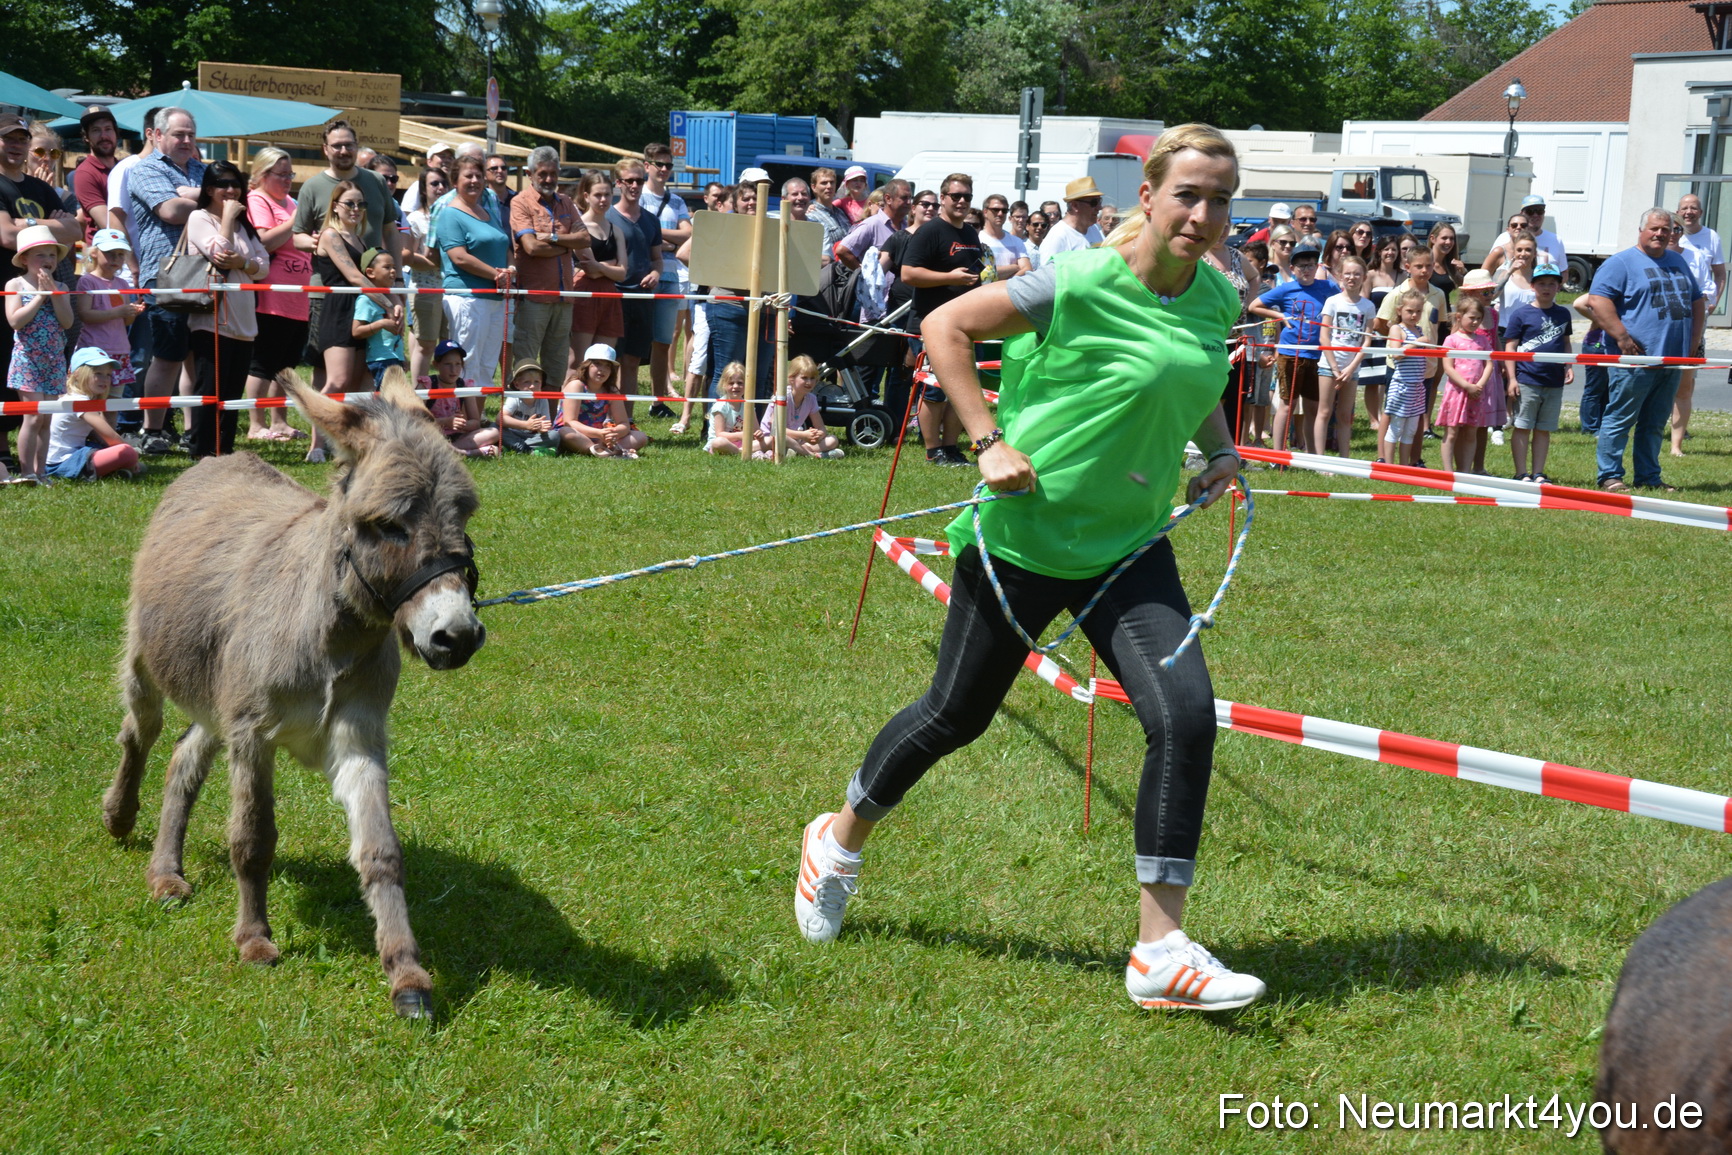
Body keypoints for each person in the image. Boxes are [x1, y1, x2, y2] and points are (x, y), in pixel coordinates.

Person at [793, 124, 1265, 1014]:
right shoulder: (1078, 279)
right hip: (1024, 540)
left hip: (1127, 548)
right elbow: (943, 325)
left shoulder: (1214, 294)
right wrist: (987, 440)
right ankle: (839, 836)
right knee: (952, 715)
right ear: (1151, 195)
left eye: (1221, 199)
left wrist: (1221, 450)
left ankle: (1160, 950)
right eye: (1189, 195)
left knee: (1187, 715)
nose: (1205, 215)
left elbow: (1196, 378)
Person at [1584, 209, 1705, 493]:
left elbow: (1697, 301)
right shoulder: (1621, 263)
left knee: (1654, 422)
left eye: (1667, 229)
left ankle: (1649, 476)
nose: (1661, 234)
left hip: (1672, 359)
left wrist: (1693, 341)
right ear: (1641, 229)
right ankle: (1610, 476)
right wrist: (1621, 337)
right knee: (1620, 418)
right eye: (1655, 228)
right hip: (1634, 359)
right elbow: (1598, 300)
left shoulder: (1677, 261)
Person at [125, 107, 205, 455]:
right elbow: (170, 211)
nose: (186, 141)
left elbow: (235, 198)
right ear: (156, 136)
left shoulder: (204, 170)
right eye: (178, 134)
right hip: (167, 273)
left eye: (190, 134)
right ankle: (152, 430)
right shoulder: (144, 169)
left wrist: (189, 193)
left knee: (195, 355)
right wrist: (208, 198)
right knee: (168, 355)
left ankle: (193, 432)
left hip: (207, 272)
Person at [183, 161, 269, 459]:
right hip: (212, 319)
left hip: (245, 322)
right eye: (223, 184)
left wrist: (243, 264)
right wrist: (229, 219)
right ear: (209, 189)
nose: (231, 190)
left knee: (232, 396)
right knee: (209, 391)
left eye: (235, 184)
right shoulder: (199, 217)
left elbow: (263, 266)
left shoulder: (246, 227)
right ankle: (201, 453)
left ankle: (225, 452)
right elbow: (220, 253)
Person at [901, 173, 984, 467]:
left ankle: (951, 448)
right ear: (943, 198)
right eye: (956, 196)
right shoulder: (930, 231)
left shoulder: (971, 234)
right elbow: (908, 274)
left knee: (959, 390)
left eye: (967, 197)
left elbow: (977, 270)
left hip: (965, 324)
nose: (962, 201)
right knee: (935, 388)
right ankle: (933, 449)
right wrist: (950, 278)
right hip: (931, 323)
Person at [243, 147, 312, 442]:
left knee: (286, 364)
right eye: (281, 174)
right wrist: (296, 220)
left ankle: (279, 421)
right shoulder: (257, 199)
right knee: (263, 363)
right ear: (262, 175)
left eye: (290, 174)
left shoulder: (289, 202)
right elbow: (264, 242)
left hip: (298, 296)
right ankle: (255, 424)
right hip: (272, 296)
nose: (287, 180)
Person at [435, 154, 513, 394]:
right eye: (468, 175)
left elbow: (504, 246)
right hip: (468, 297)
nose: (474, 180)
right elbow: (458, 256)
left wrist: (511, 269)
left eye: (479, 175)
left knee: (487, 365)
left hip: (495, 299)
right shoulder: (449, 214)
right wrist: (496, 275)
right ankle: (462, 421)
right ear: (455, 181)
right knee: (466, 363)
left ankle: (477, 420)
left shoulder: (487, 211)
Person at [510, 146, 585, 382]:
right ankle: (523, 418)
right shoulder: (520, 202)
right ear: (530, 174)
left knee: (556, 367)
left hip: (564, 298)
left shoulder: (566, 202)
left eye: (553, 173)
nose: (549, 179)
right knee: (526, 365)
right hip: (534, 298)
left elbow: (585, 239)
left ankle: (551, 418)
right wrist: (567, 245)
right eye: (542, 174)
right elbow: (531, 247)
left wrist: (553, 238)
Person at [5, 224, 74, 480]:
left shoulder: (62, 286)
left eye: (52, 255)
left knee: (46, 420)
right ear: (24, 259)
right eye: (40, 255)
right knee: (32, 418)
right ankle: (26, 472)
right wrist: (39, 296)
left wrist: (54, 293)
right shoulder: (16, 284)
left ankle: (40, 471)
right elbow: (15, 320)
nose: (47, 261)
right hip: (28, 360)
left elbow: (67, 321)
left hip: (54, 358)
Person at [1249, 239, 1332, 455]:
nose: (1307, 269)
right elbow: (1254, 305)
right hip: (1290, 353)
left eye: (1311, 265)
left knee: (1313, 407)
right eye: (1301, 266)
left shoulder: (1328, 288)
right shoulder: (1286, 289)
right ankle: (1279, 455)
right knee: (1287, 405)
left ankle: (1312, 455)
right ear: (1293, 268)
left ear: (1317, 267)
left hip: (1317, 354)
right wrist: (1280, 315)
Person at [1373, 245, 1446, 464]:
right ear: (1407, 267)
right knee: (1391, 412)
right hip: (1399, 368)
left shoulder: (1438, 294)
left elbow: (1439, 326)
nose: (1424, 270)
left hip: (1426, 365)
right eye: (1419, 266)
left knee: (1417, 414)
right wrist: (1400, 340)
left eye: (1429, 265)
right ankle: (1383, 457)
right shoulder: (1397, 294)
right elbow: (1379, 323)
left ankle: (1414, 459)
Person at [308, 179, 375, 411]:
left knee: (355, 384)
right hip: (338, 309)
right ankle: (316, 445)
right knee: (338, 381)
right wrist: (389, 303)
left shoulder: (360, 240)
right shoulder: (330, 235)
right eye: (349, 204)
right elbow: (354, 276)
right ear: (335, 205)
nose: (356, 209)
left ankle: (344, 439)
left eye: (360, 204)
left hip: (360, 310)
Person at [1502, 263, 1572, 483]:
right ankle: (1521, 472)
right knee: (1523, 425)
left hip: (1554, 380)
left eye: (1552, 284)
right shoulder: (1521, 314)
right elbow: (1510, 346)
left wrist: (1569, 366)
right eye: (1542, 283)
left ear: (1558, 287)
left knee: (1544, 428)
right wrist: (1512, 378)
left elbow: (1566, 342)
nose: (1547, 288)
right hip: (1527, 378)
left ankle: (1539, 472)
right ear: (1532, 286)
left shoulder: (1563, 314)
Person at [608, 157, 664, 408]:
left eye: (639, 180)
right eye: (629, 180)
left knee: (632, 362)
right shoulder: (607, 216)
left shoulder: (651, 220)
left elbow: (657, 259)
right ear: (618, 183)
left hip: (643, 299)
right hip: (614, 297)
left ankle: (627, 419)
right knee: (611, 361)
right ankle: (607, 417)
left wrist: (656, 274)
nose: (635, 185)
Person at [641, 142, 693, 411]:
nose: (664, 169)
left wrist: (657, 237)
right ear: (647, 165)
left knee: (663, 339)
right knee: (633, 339)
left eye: (668, 165)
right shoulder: (637, 195)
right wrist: (667, 242)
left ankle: (657, 399)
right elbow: (635, 231)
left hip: (671, 276)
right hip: (643, 274)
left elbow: (688, 233)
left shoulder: (677, 200)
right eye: (659, 164)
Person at [45, 348, 145, 480]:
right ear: (78, 374)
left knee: (114, 451)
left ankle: (115, 470)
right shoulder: (80, 401)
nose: (105, 379)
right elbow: (111, 437)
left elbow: (100, 437)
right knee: (127, 453)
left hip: (64, 457)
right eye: (98, 373)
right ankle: (119, 468)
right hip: (63, 462)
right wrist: (132, 457)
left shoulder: (75, 397)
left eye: (108, 375)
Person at [569, 170, 627, 378]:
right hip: (584, 294)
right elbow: (591, 272)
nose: (603, 200)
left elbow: (622, 273)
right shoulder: (578, 227)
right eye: (598, 195)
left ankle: (597, 408)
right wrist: (610, 265)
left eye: (607, 195)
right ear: (586, 196)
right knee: (579, 361)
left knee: (605, 360)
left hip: (610, 297)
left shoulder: (615, 230)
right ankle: (567, 407)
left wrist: (601, 266)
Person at [1316, 256, 1374, 461]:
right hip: (1329, 366)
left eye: (1357, 274)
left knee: (1345, 415)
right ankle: (1320, 460)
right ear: (1340, 276)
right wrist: (1334, 368)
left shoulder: (1367, 306)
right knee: (1324, 411)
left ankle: (1345, 458)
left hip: (1352, 368)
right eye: (1348, 273)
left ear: (1364, 277)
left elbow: (1367, 340)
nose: (1352, 277)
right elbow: (1324, 336)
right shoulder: (1332, 302)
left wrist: (1351, 368)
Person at [74, 229, 143, 396]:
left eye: (120, 254)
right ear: (95, 253)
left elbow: (125, 322)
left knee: (113, 402)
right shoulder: (87, 281)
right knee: (89, 399)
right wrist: (118, 312)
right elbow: (85, 315)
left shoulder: (123, 284)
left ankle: (111, 424)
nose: (116, 258)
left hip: (120, 350)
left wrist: (132, 312)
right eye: (110, 253)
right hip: (93, 350)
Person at [1668, 216, 1716, 457]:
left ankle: (1676, 445)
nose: (1672, 233)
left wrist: (1696, 301)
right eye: (1668, 229)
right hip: (1660, 332)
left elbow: (1709, 290)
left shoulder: (1694, 256)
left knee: (1684, 389)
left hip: (1690, 330)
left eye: (1677, 229)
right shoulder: (1648, 257)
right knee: (1649, 387)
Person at [404, 166, 451, 382]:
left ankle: (447, 397)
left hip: (451, 289)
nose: (440, 188)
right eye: (434, 183)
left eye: (444, 183)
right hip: (425, 288)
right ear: (423, 189)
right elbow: (408, 256)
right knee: (426, 345)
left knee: (450, 344)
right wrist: (437, 262)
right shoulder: (415, 218)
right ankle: (418, 397)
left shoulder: (454, 216)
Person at [1436, 297, 1493, 474]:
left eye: (1478, 318)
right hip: (1457, 392)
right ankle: (1448, 471)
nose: (1475, 322)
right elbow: (1448, 367)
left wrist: (1479, 385)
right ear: (1459, 317)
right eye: (1472, 318)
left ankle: (1465, 470)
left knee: (1471, 433)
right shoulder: (1451, 340)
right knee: (1452, 432)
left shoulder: (1482, 341)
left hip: (1477, 393)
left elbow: (1489, 364)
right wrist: (1466, 386)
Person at [564, 343, 647, 457]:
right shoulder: (576, 385)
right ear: (586, 365)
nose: (602, 369)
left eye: (607, 366)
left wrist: (613, 433)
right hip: (577, 433)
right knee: (567, 433)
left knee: (641, 437)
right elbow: (569, 422)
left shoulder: (611, 390)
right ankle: (601, 450)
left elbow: (624, 423)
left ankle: (601, 450)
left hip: (601, 436)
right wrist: (598, 433)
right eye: (597, 364)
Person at [754, 355, 842, 458]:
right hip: (773, 438)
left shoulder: (811, 399)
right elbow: (776, 429)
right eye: (804, 378)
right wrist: (803, 435)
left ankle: (798, 451)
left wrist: (817, 436)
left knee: (832, 440)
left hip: (797, 440)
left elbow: (821, 427)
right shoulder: (782, 396)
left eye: (812, 378)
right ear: (792, 379)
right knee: (781, 439)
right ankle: (812, 455)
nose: (809, 382)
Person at [426, 339, 500, 457]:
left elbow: (475, 422)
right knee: (424, 441)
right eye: (447, 364)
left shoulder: (464, 386)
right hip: (432, 435)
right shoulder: (427, 384)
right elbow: (416, 421)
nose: (453, 370)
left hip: (458, 438)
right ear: (436, 365)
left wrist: (462, 424)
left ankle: (451, 451)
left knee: (494, 433)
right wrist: (445, 422)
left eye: (457, 364)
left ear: (462, 364)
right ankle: (467, 453)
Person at [1381, 292, 1429, 466]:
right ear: (1400, 310)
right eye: (1410, 311)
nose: (1414, 315)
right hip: (1402, 386)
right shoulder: (1397, 329)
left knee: (1410, 430)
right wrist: (1417, 343)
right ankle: (1389, 465)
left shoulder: (1419, 330)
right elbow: (1396, 354)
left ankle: (1404, 466)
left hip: (1417, 386)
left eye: (1418, 311)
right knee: (1396, 427)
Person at [501, 360, 587, 454]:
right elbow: (500, 418)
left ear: (541, 384)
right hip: (513, 433)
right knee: (497, 429)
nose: (532, 386)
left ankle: (514, 447)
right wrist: (526, 425)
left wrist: (541, 428)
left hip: (532, 436)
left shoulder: (542, 399)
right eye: (527, 382)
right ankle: (527, 449)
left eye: (537, 382)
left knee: (554, 436)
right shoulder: (514, 398)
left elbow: (547, 425)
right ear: (517, 384)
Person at [352, 248, 409, 384]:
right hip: (380, 360)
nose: (393, 271)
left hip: (395, 357)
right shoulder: (365, 300)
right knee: (387, 399)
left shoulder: (390, 298)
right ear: (370, 273)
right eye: (387, 267)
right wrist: (382, 324)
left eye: (394, 267)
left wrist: (402, 357)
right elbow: (356, 331)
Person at [72, 106, 122, 245]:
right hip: (105, 254)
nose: (103, 136)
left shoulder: (124, 169)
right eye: (96, 130)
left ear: (116, 133)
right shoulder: (85, 173)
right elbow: (108, 224)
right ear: (86, 137)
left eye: (108, 129)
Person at [1483, 195, 1565, 274]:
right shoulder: (1503, 239)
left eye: (1540, 211)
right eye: (1530, 211)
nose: (1535, 215)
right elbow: (1484, 273)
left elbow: (1564, 272)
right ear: (1522, 213)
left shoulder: (1556, 240)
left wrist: (1550, 286)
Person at [1038, 176, 1104, 261]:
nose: (1100, 207)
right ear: (1075, 206)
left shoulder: (1094, 229)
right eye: (1094, 202)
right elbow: (1047, 273)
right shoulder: (1058, 237)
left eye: (1100, 201)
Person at [979, 193, 1031, 280]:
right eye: (995, 210)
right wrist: (1014, 267)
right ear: (985, 212)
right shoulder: (978, 239)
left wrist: (1005, 284)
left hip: (1008, 292)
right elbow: (983, 273)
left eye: (1004, 211)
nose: (1000, 214)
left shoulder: (1016, 241)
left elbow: (1027, 269)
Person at [705, 361, 748, 455]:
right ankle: (743, 452)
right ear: (724, 385)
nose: (736, 386)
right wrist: (741, 435)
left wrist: (758, 434)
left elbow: (755, 430)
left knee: (769, 440)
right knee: (719, 442)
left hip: (742, 442)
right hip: (722, 443)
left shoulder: (748, 404)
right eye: (731, 383)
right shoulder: (721, 406)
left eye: (740, 383)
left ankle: (741, 451)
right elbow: (719, 434)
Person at [809, 166, 851, 256]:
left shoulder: (841, 212)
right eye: (824, 183)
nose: (829, 186)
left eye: (832, 182)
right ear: (814, 187)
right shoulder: (811, 215)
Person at [400, 142, 454, 213]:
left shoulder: (455, 187)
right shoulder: (418, 186)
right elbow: (407, 213)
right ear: (429, 162)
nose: (447, 160)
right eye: (442, 156)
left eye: (450, 158)